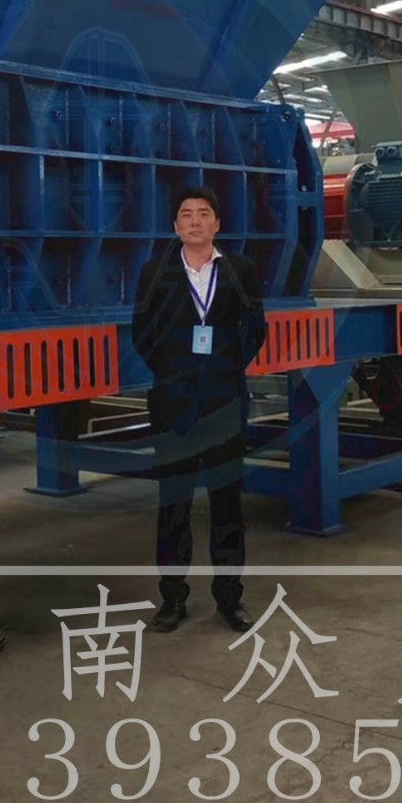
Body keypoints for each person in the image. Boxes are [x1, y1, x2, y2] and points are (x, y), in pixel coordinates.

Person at [130, 187, 267, 633]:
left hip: (224, 401)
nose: (194, 221)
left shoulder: (240, 270)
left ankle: (230, 599)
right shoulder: (155, 271)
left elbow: (256, 328)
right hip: (174, 406)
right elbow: (141, 332)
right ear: (175, 226)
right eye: (186, 214)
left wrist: (225, 367)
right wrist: (175, 371)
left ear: (216, 224)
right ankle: (172, 599)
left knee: (227, 505)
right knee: (174, 504)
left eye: (203, 214)